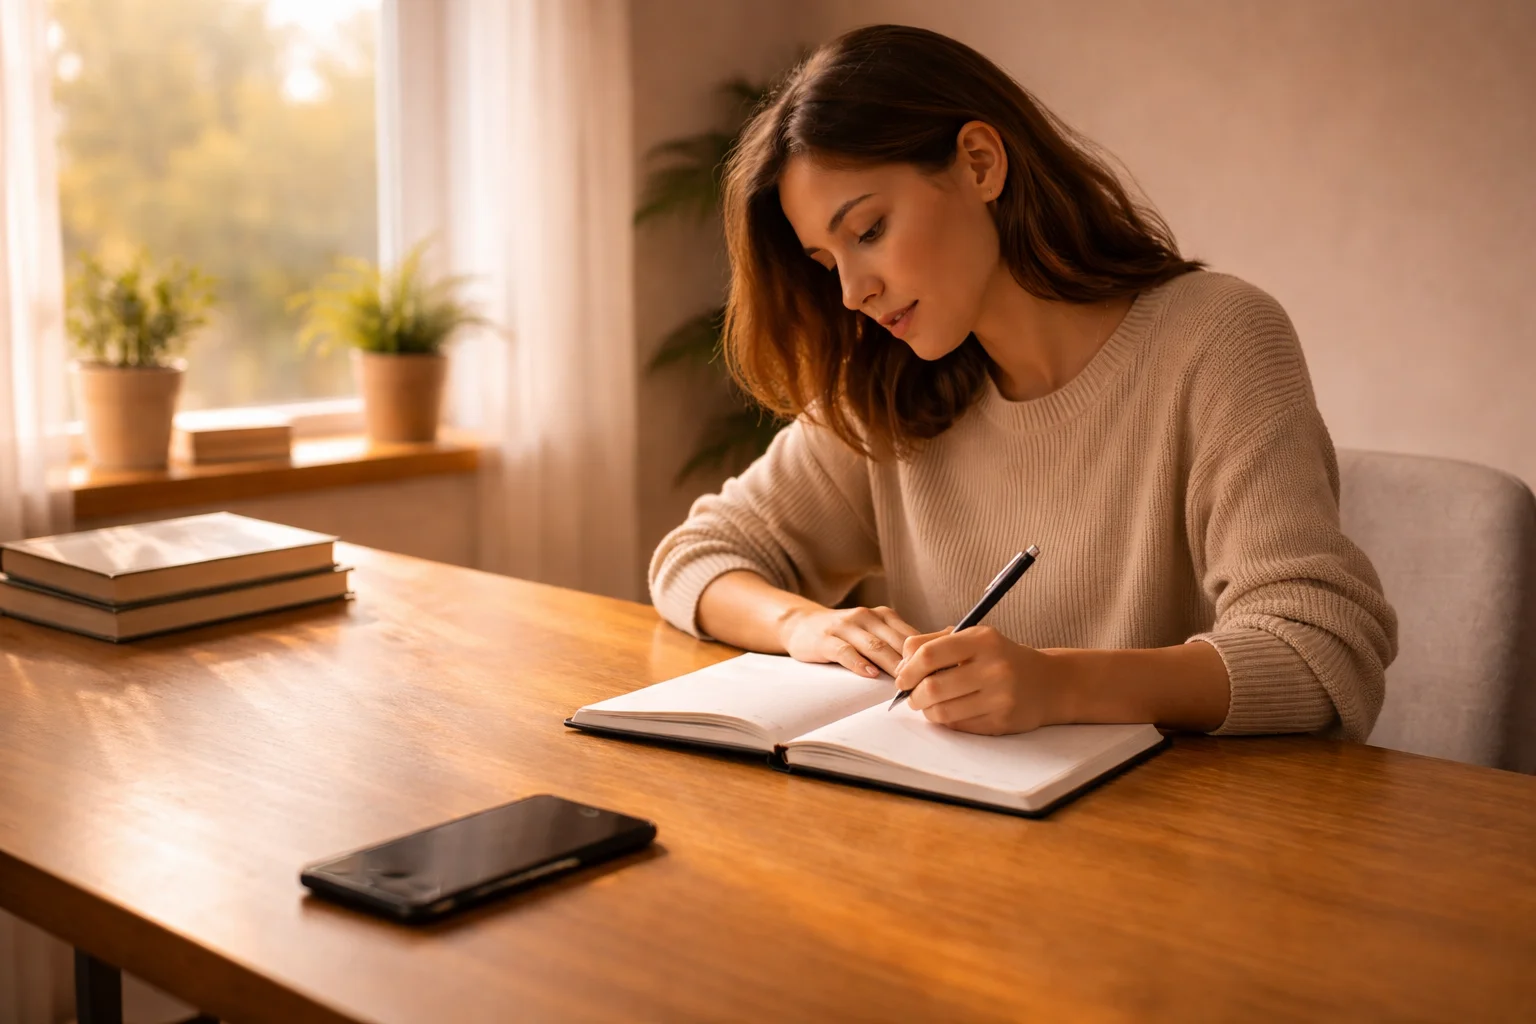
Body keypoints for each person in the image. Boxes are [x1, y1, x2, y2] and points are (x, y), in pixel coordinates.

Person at [649, 24, 1397, 741]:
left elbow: (1319, 651)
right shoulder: (888, 391)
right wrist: (805, 623)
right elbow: (698, 556)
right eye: (825, 263)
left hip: (1187, 839)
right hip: (967, 837)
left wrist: (1059, 686)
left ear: (979, 163)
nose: (852, 293)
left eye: (869, 231)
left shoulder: (1216, 339)